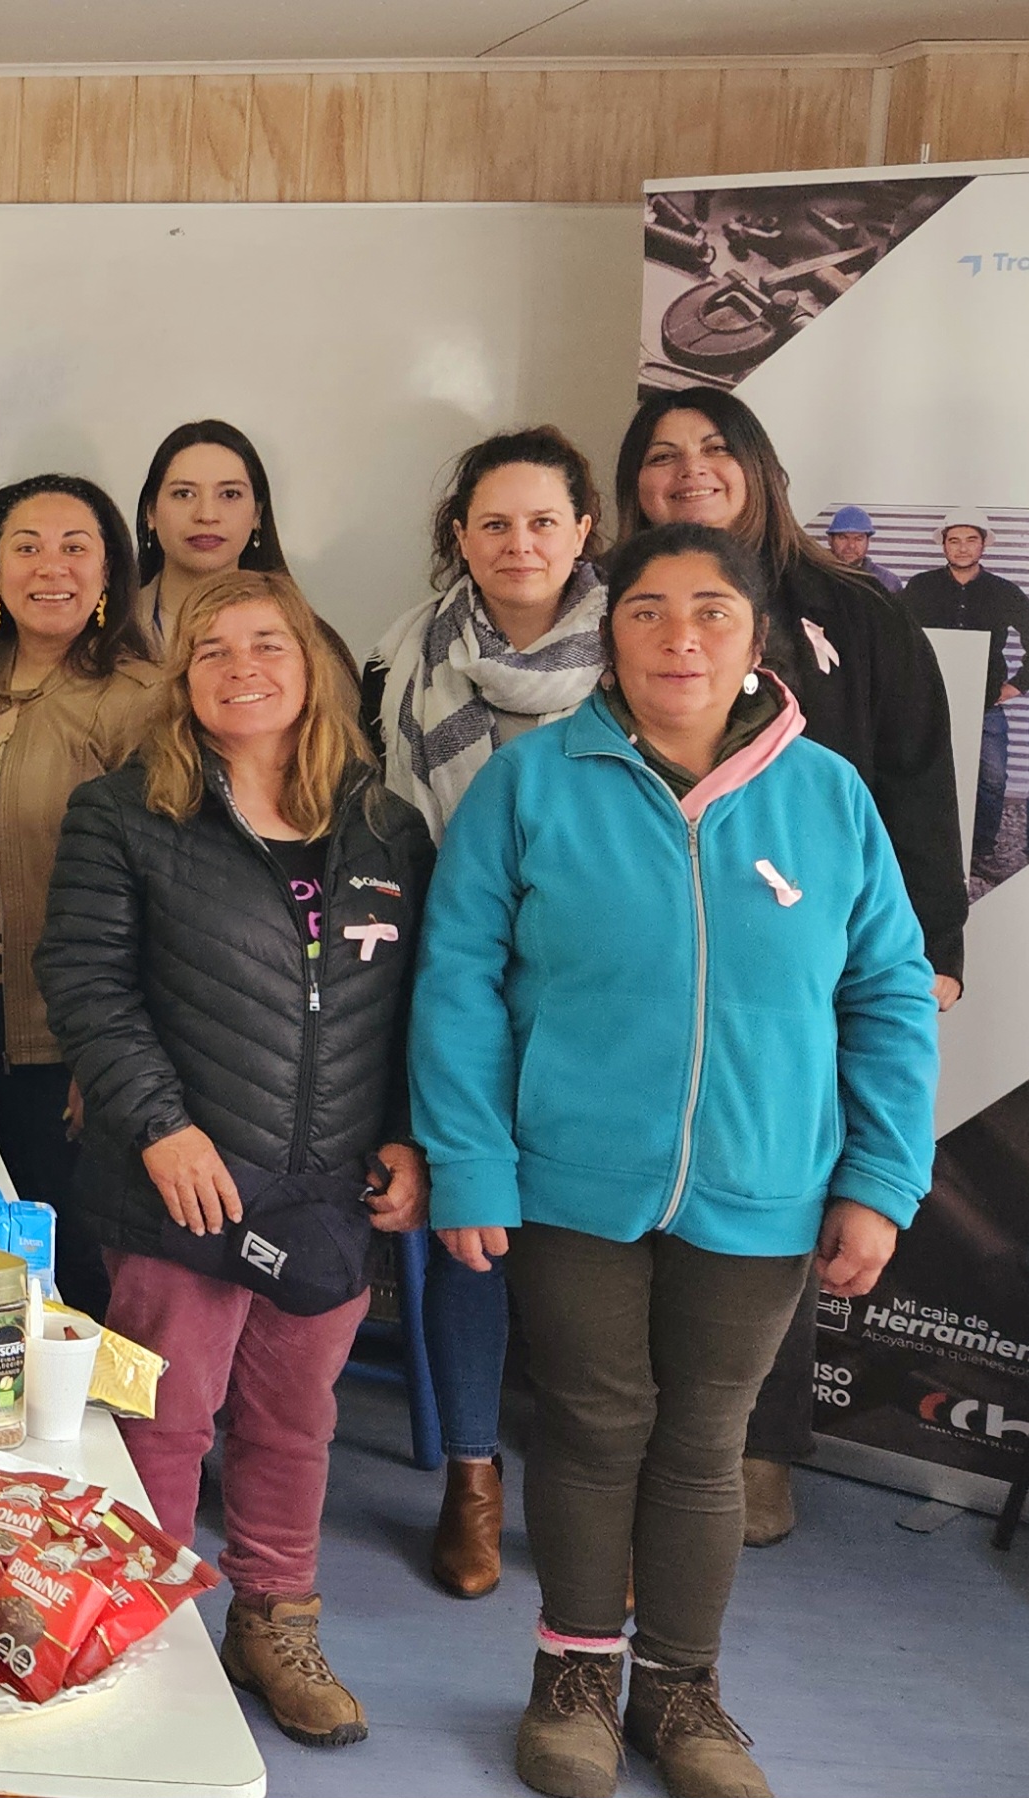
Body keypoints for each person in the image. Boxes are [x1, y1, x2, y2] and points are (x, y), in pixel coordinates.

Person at [411, 523, 935, 1798]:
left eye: (709, 611)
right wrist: (470, 1162)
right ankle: (574, 1677)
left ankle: (681, 1693)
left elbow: (889, 995)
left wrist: (879, 1178)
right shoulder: (530, 784)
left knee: (703, 1442)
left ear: (756, 640)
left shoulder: (828, 798)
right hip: (571, 1179)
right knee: (591, 1429)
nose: (677, 637)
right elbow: (457, 981)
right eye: (645, 611)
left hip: (761, 1187)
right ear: (612, 635)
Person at [34, 569, 433, 1756]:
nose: (240, 666)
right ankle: (139, 1627)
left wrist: (408, 1133)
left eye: (266, 643)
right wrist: (160, 1126)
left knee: (291, 1418)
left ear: (311, 664)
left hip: (326, 1189)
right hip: (179, 1181)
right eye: (209, 648)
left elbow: (423, 999)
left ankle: (273, 1621)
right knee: (164, 1416)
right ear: (180, 678)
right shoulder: (124, 813)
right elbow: (86, 986)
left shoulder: (385, 826)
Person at [611, 388, 964, 1547]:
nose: (688, 472)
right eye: (660, 458)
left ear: (758, 467)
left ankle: (755, 1444)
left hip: (807, 951)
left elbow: (915, 778)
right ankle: (625, 1442)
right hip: (636, 953)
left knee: (778, 1192)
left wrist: (931, 951)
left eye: (714, 450)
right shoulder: (616, 605)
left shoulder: (850, 613)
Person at [357, 425, 607, 1600]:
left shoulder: (636, 658)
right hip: (439, 971)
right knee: (470, 1224)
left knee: (589, 1250)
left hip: (593, 991)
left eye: (540, 521)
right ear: (458, 536)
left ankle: (585, 1489)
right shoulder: (402, 655)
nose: (517, 544)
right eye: (492, 523)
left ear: (582, 532)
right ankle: (469, 1475)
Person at [0, 475, 161, 1322]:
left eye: (75, 547)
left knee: (64, 1262)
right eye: (25, 546)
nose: (49, 566)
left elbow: (164, 890)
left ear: (110, 573)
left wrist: (110, 1056)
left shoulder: (143, 700)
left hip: (65, 1029)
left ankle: (96, 1444)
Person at [894, 513, 1029, 887]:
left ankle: (980, 852)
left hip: (985, 705)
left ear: (983, 545)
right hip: (928, 703)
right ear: (943, 545)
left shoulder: (1004, 592)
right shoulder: (920, 587)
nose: (963, 546)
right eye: (955, 540)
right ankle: (925, 851)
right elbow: (896, 634)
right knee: (922, 770)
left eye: (971, 539)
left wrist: (1016, 686)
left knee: (992, 777)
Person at [128, 420, 291, 658]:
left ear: (257, 514)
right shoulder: (108, 632)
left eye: (230, 494)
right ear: (150, 512)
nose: (206, 515)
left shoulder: (300, 634)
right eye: (184, 494)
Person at [819, 504, 898, 587]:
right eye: (843, 537)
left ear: (868, 542)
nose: (851, 545)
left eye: (858, 539)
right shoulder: (816, 577)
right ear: (830, 540)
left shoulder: (887, 582)